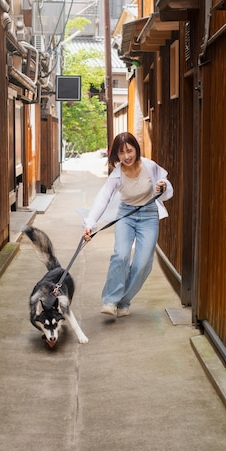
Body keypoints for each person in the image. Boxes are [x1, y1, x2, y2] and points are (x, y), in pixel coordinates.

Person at [83, 132, 173, 317]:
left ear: (136, 149)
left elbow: (166, 190)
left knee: (142, 264)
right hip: (126, 215)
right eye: (121, 153)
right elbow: (103, 198)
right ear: (116, 154)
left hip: (149, 217)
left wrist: (162, 188)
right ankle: (110, 300)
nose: (126, 156)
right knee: (121, 255)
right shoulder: (117, 175)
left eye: (129, 151)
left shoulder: (150, 166)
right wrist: (90, 224)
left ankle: (124, 301)